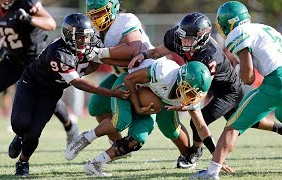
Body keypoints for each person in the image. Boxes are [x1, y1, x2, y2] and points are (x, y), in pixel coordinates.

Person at [129, 12, 282, 169]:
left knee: (200, 122)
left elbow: (199, 89)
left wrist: (188, 104)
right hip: (210, 83)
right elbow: (158, 51)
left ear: (202, 38)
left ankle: (195, 152)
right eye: (183, 38)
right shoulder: (179, 37)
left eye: (189, 39)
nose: (183, 42)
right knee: (237, 117)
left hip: (228, 90)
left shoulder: (209, 56)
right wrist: (144, 55)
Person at [66, 0, 194, 167]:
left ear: (113, 8)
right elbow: (95, 61)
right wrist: (73, 70)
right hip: (125, 76)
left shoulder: (125, 20)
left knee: (168, 125)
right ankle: (118, 145)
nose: (97, 18)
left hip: (148, 76)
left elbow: (134, 50)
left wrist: (98, 53)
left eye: (101, 12)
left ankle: (188, 155)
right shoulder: (93, 30)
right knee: (97, 106)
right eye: (93, 14)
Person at [8, 13, 129, 176]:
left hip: (51, 92)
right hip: (31, 85)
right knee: (19, 124)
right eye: (80, 37)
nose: (85, 41)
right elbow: (77, 82)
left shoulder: (91, 42)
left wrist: (130, 62)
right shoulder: (59, 53)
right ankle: (19, 135)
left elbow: (104, 59)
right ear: (68, 35)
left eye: (86, 37)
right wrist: (110, 93)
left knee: (34, 132)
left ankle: (23, 162)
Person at [190, 1, 282, 179]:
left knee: (232, 126)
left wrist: (246, 77)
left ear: (228, 22)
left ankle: (212, 172)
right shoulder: (264, 27)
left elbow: (248, 75)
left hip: (278, 81)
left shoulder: (237, 33)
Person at [65, 58, 212, 176]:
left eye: (195, 94)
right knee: (121, 121)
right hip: (127, 87)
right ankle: (85, 138)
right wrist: (137, 107)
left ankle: (95, 164)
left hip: (151, 101)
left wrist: (216, 157)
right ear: (181, 79)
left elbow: (201, 126)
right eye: (189, 91)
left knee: (138, 139)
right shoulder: (163, 73)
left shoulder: (192, 98)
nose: (191, 97)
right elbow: (129, 79)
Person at [0, 0, 78, 148]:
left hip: (34, 59)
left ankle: (70, 127)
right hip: (13, 59)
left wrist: (29, 18)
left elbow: (51, 24)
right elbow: (5, 28)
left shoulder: (27, 3)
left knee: (47, 99)